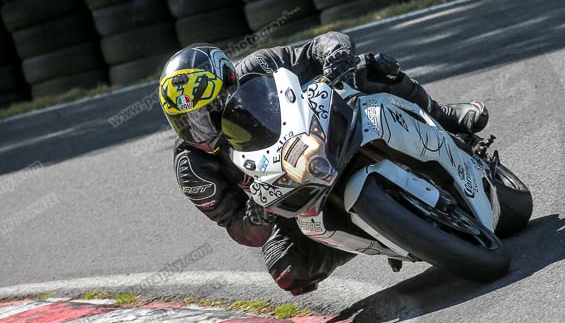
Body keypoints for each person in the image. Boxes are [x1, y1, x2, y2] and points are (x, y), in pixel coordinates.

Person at [159, 31, 489, 295]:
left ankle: (445, 117)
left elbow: (321, 44)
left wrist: (336, 55)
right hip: (285, 202)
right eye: (186, 122)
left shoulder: (257, 67)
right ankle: (384, 236)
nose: (201, 130)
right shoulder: (193, 167)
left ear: (228, 82)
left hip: (322, 132)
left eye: (207, 112)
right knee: (286, 270)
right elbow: (238, 228)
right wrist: (257, 212)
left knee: (369, 67)